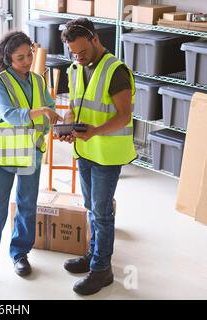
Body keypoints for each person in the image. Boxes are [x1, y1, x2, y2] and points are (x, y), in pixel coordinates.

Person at [0, 31, 62, 285]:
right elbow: (10, 114)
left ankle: (20, 254)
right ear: (8, 58)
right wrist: (42, 111)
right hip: (5, 157)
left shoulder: (37, 80)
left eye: (29, 55)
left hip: (31, 155)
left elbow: (49, 108)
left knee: (27, 206)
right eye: (19, 57)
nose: (26, 61)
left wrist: (52, 120)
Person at [59, 18, 136, 295]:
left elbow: (124, 116)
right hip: (86, 150)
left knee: (102, 214)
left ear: (95, 39)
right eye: (73, 53)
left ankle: (102, 270)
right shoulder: (75, 68)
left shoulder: (116, 71)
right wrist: (69, 126)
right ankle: (92, 255)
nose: (78, 57)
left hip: (107, 153)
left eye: (82, 51)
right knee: (91, 207)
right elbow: (75, 107)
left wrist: (95, 131)